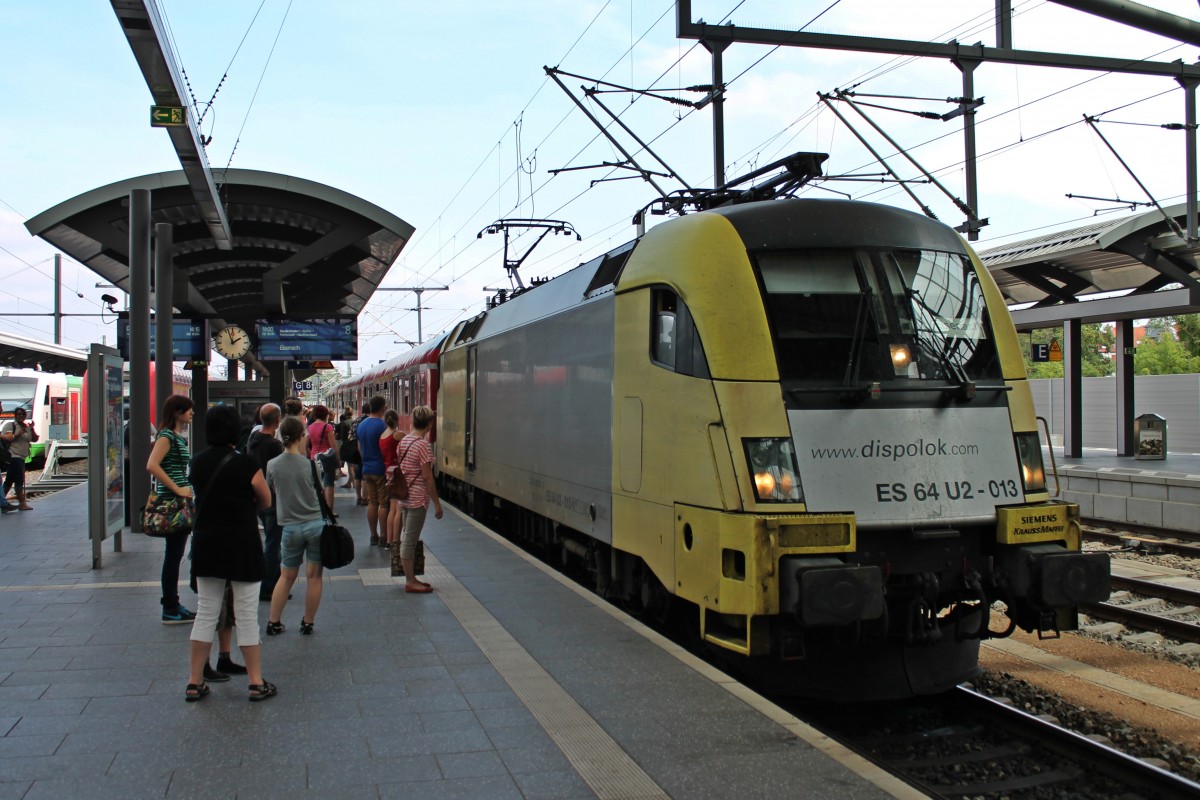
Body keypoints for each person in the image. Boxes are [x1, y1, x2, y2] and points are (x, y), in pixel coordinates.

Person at [185, 404, 275, 703]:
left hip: (207, 543)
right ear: (236, 430)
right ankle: (255, 682)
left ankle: (195, 682)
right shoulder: (246, 465)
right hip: (242, 544)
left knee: (206, 612)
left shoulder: (196, 463)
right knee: (247, 616)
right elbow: (265, 500)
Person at [266, 416, 327, 636]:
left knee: (286, 576)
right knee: (314, 576)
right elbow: (319, 490)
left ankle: (274, 622)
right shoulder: (310, 464)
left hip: (289, 527)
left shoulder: (272, 465)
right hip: (314, 525)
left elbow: (272, 491)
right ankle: (308, 623)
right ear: (302, 436)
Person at [146, 394, 197, 624]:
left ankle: (173, 603)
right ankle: (170, 606)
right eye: (188, 410)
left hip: (179, 500)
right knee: (173, 555)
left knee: (174, 555)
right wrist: (177, 488)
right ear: (177, 412)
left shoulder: (176, 436)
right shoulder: (166, 436)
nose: (192, 413)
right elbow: (152, 465)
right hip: (172, 502)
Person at [394, 405, 442, 593]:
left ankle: (412, 577)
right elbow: (427, 477)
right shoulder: (422, 446)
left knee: (408, 536)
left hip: (405, 496)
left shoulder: (404, 441)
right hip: (417, 499)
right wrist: (437, 504)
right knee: (410, 540)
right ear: (429, 424)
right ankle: (410, 580)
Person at [247, 403, 285, 601]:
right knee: (273, 544)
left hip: (257, 497)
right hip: (272, 499)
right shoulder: (274, 445)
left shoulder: (253, 439)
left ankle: (270, 583)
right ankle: (270, 586)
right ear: (277, 420)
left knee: (271, 542)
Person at [356, 396, 388, 546]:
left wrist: (366, 461)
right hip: (380, 469)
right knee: (384, 504)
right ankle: (383, 536)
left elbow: (359, 448)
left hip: (366, 468)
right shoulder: (382, 426)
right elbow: (385, 449)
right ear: (382, 408)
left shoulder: (362, 425)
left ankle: (373, 535)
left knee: (372, 502)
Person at [305, 404, 340, 516]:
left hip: (314, 458)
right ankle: (330, 510)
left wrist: (311, 456)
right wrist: (338, 459)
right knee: (329, 484)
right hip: (327, 458)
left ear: (314, 415)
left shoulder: (309, 428)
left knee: (317, 485)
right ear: (326, 415)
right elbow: (333, 445)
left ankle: (319, 509)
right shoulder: (328, 427)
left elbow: (306, 446)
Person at [2, 407, 38, 510]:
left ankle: (2, 503)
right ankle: (22, 503)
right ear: (15, 415)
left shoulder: (26, 427)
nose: (21, 416)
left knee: (9, 480)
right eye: (19, 414)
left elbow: (34, 439)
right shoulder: (10, 425)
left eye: (23, 414)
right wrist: (18, 434)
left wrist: (32, 428)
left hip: (22, 456)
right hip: (13, 456)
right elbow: (7, 438)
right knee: (19, 479)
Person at [380, 409, 401, 549]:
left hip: (387, 472)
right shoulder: (398, 435)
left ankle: (388, 541)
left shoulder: (382, 436)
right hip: (398, 474)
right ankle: (395, 541)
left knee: (391, 510)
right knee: (398, 510)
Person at [336, 407, 355, 488]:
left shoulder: (344, 423)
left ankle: (353, 483)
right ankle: (350, 482)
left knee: (350, 466)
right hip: (354, 444)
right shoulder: (354, 421)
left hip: (347, 445)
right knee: (353, 465)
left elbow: (342, 437)